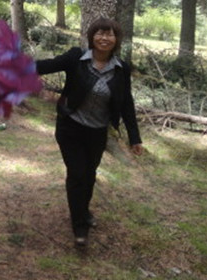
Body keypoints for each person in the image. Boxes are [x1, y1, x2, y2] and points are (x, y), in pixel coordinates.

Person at [36, 17, 144, 247]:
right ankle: (80, 227)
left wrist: (134, 138)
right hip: (70, 127)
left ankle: (83, 211)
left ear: (116, 40)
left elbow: (127, 103)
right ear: (92, 36)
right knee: (77, 174)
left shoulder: (121, 69)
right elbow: (44, 66)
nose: (104, 38)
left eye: (109, 34)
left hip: (97, 132)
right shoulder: (76, 58)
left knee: (89, 175)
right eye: (100, 33)